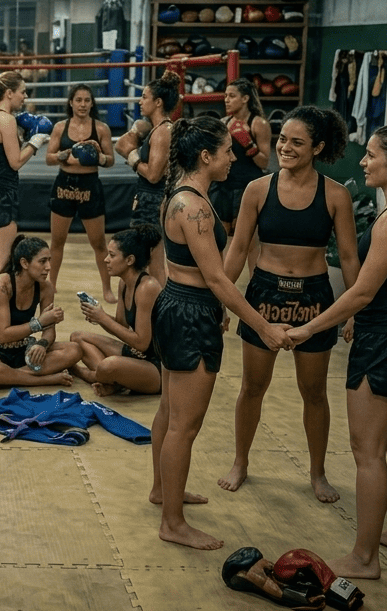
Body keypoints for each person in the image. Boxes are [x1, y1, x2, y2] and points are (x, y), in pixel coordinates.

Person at [285, 125, 387, 580]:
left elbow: (362, 292)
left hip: (386, 341)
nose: (363, 161)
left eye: (371, 155)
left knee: (367, 450)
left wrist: (308, 328)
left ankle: (365, 558)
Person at [151, 115, 289, 551]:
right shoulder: (193, 207)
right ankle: (173, 523)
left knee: (169, 410)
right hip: (189, 312)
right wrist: (262, 325)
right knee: (184, 426)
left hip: (178, 305)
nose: (234, 157)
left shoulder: (181, 196)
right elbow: (216, 278)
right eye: (228, 151)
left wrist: (219, 308)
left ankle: (163, 492)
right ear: (206, 156)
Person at [219, 106, 358, 503]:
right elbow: (238, 249)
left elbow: (349, 258)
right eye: (282, 139)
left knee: (314, 391)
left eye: (297, 142)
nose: (285, 147)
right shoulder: (257, 190)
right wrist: (220, 300)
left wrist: (355, 312)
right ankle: (240, 462)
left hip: (314, 299)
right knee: (252, 386)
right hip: (265, 295)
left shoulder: (336, 195)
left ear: (318, 148)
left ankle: (317, 472)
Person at [0, 236, 83, 390]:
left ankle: (5, 378)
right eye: (42, 261)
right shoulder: (1, 285)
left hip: (22, 348)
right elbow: (3, 335)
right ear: (24, 263)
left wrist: (42, 344)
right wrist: (39, 323)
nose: (48, 267)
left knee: (74, 350)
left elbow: (49, 332)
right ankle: (43, 380)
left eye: (49, 260)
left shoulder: (46, 288)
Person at [70, 225, 165, 396]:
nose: (106, 260)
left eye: (112, 255)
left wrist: (103, 318)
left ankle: (87, 374)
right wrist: (98, 316)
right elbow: (121, 325)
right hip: (136, 355)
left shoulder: (148, 287)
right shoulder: (124, 283)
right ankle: (114, 381)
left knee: (108, 365)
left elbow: (141, 343)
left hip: (156, 367)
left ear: (130, 260)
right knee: (77, 337)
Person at [0, 71, 46, 297]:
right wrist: (35, 143)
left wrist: (24, 139)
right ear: (9, 93)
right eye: (22, 92)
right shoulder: (6, 120)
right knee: (1, 261)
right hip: (2, 194)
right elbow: (15, 162)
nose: (25, 97)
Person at [46, 84, 116, 302]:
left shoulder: (101, 128)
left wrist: (99, 158)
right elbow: (49, 158)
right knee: (57, 241)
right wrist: (62, 156)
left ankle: (107, 289)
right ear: (71, 103)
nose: (83, 104)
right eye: (78, 100)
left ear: (92, 103)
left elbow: (111, 160)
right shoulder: (60, 127)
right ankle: (51, 285)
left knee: (99, 243)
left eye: (87, 100)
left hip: (89, 186)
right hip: (64, 185)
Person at [124, 72, 177, 283]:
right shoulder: (158, 129)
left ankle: (158, 303)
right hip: (150, 198)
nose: (140, 101)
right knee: (142, 262)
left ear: (158, 102)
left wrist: (133, 159)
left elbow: (154, 175)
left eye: (144, 97)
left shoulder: (163, 131)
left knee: (152, 264)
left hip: (153, 200)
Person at [209, 79, 271, 240]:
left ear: (245, 98)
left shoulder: (259, 123)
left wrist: (248, 144)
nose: (226, 100)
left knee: (242, 237)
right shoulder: (224, 123)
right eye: (225, 96)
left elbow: (264, 162)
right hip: (223, 186)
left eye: (231, 96)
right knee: (220, 236)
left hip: (246, 186)